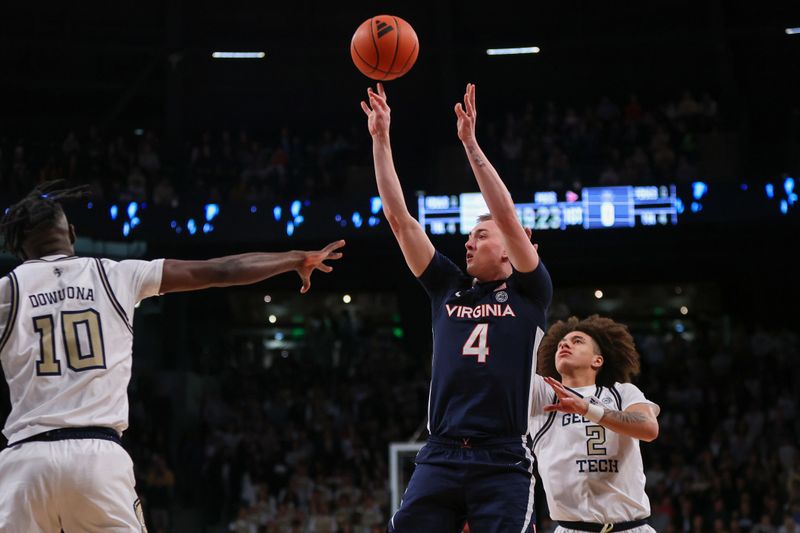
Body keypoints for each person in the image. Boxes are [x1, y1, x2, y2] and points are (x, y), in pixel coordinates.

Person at [0, 182, 345, 532]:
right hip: (97, 459)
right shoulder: (116, 274)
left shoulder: (7, 291)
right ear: (72, 233)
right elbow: (219, 270)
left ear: (19, 249)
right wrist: (293, 258)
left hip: (24, 463)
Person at [361, 82, 552, 532]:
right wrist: (381, 139)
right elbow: (399, 219)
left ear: (514, 248)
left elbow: (505, 215)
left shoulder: (530, 290)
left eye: (481, 235)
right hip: (442, 451)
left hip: (503, 456)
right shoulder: (447, 286)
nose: (469, 241)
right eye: (470, 235)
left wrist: (470, 144)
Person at [531, 315, 660, 533]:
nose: (565, 344)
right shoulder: (541, 394)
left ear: (597, 360)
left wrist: (587, 409)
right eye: (562, 343)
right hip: (572, 528)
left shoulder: (621, 392)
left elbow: (649, 428)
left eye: (577, 341)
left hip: (631, 527)